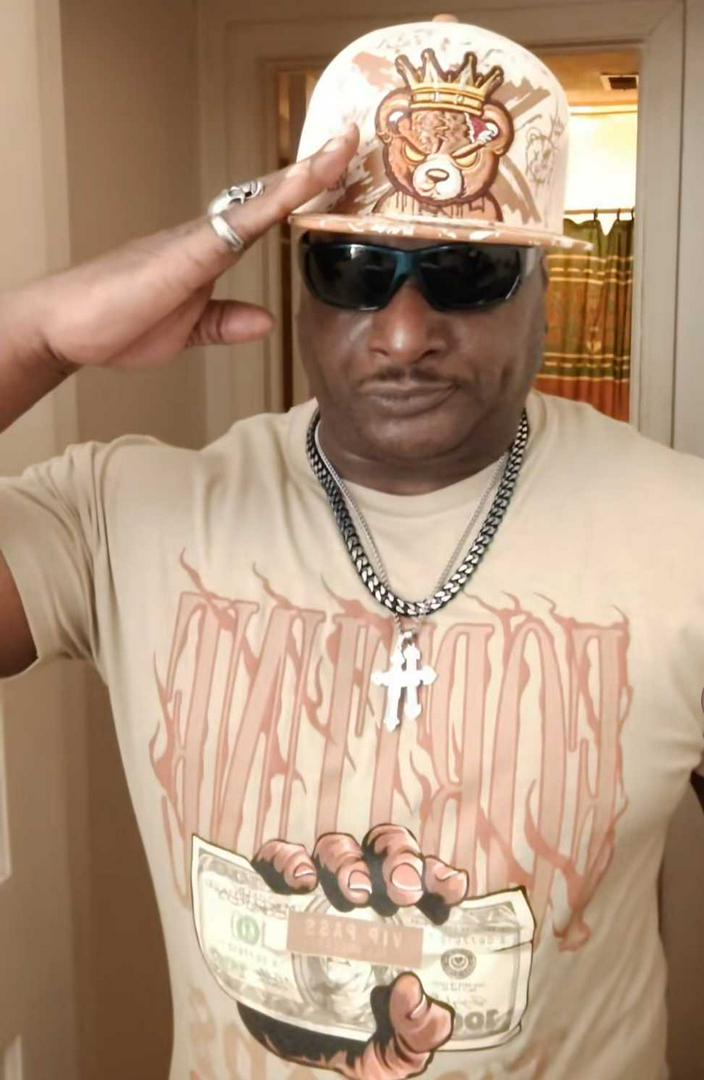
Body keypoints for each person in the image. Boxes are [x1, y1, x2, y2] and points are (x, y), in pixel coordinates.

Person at [0, 15, 702, 1080]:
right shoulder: (122, 513)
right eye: (354, 269)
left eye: (467, 274)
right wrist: (34, 336)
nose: (406, 332)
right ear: (301, 285)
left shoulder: (684, 533)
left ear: (544, 294)